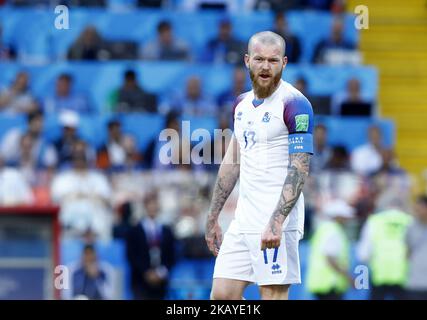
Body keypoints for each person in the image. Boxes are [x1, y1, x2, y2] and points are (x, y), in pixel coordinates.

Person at [205, 31, 314, 300]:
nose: (266, 66)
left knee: (272, 296)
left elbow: (299, 168)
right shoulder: (241, 104)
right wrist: (212, 215)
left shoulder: (296, 104)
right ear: (247, 60)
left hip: (276, 220)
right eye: (259, 59)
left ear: (284, 63)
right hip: (243, 221)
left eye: (273, 60)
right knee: (221, 297)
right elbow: (232, 162)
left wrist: (277, 221)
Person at [356, 200, 413, 300]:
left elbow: (364, 251)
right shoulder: (409, 221)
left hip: (379, 272)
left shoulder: (374, 221)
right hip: (402, 273)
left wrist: (364, 261)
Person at [126, 190, 176, 299]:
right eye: (150, 204)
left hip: (161, 283)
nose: (152, 207)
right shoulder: (135, 230)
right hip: (140, 281)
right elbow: (131, 255)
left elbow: (171, 255)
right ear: (145, 206)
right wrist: (146, 272)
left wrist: (161, 273)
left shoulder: (167, 230)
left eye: (155, 203)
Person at [306, 199, 354, 300]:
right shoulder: (333, 231)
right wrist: (348, 276)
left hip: (320, 283)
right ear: (338, 216)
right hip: (330, 285)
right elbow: (330, 259)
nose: (347, 219)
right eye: (344, 216)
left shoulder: (324, 228)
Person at [405, 195, 427, 300]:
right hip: (415, 283)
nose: (417, 211)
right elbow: (407, 252)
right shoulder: (410, 227)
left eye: (420, 208)